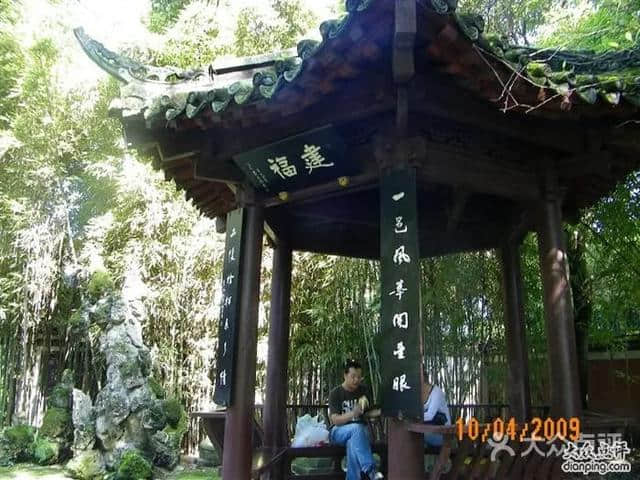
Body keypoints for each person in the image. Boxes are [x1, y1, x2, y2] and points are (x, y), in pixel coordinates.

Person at [328, 360, 383, 480]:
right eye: (353, 376)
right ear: (345, 375)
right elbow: (335, 420)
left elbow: (367, 413)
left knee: (353, 442)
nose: (356, 380)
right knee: (356, 429)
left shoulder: (363, 390)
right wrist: (353, 413)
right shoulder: (335, 393)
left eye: (359, 377)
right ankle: (371, 470)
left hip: (360, 434)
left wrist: (382, 411)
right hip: (338, 432)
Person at [422, 378, 451, 448]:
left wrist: (413, 416)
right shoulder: (419, 393)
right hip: (428, 430)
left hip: (443, 435)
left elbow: (429, 416)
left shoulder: (437, 392)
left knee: (415, 435)